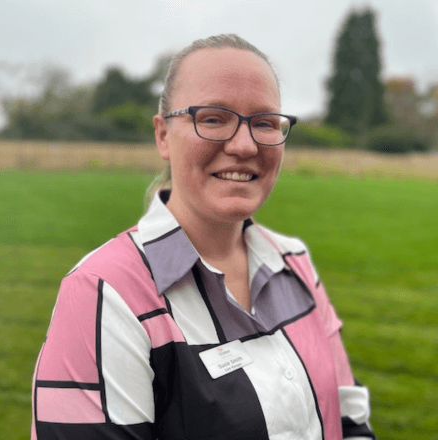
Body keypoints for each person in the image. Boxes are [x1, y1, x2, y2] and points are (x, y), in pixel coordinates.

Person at [31, 34, 376, 440]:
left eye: (264, 122)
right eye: (213, 118)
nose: (245, 145)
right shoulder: (104, 294)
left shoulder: (295, 263)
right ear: (162, 135)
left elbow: (349, 422)